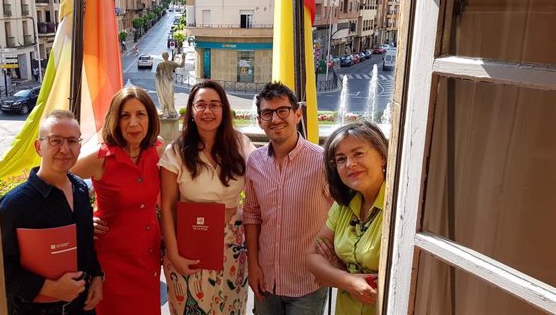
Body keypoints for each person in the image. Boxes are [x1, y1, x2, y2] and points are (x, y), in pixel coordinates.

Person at [159, 80, 255, 314]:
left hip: (232, 244)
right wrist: (173, 253)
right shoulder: (176, 151)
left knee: (230, 307)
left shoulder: (241, 144)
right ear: (191, 110)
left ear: (224, 109)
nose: (207, 111)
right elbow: (168, 206)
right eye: (200, 104)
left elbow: (260, 188)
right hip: (189, 245)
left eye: (214, 104)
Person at [0, 110, 104, 315]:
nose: (65, 149)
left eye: (72, 141)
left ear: (79, 147)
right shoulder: (14, 205)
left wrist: (97, 276)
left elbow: (85, 246)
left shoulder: (81, 191)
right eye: (55, 140)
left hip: (82, 308)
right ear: (39, 147)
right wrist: (48, 287)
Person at [70, 87, 165, 315]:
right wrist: (82, 222)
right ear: (115, 119)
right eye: (125, 115)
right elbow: (55, 180)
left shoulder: (158, 150)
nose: (133, 123)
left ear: (150, 118)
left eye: (140, 114)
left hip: (148, 258)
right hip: (112, 263)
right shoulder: (100, 158)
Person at [243, 82, 333, 315]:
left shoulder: (321, 162)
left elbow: (341, 214)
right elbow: (252, 215)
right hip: (266, 280)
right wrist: (253, 265)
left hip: (308, 282)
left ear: (297, 113)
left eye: (282, 111)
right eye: (267, 113)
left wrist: (332, 262)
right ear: (260, 120)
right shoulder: (255, 162)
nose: (275, 119)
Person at [306, 120, 388, 315]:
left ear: (383, 155)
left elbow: (391, 281)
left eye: (358, 153)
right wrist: (348, 279)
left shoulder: (397, 210)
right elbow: (311, 258)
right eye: (341, 159)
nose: (350, 164)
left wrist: (333, 271)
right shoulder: (344, 206)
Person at [155, 52, 186, 118]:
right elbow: (181, 65)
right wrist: (183, 58)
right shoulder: (171, 63)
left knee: (164, 96)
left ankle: (166, 110)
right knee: (170, 96)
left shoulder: (159, 64)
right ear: (168, 56)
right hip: (169, 82)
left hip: (162, 83)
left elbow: (157, 76)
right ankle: (170, 110)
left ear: (162, 56)